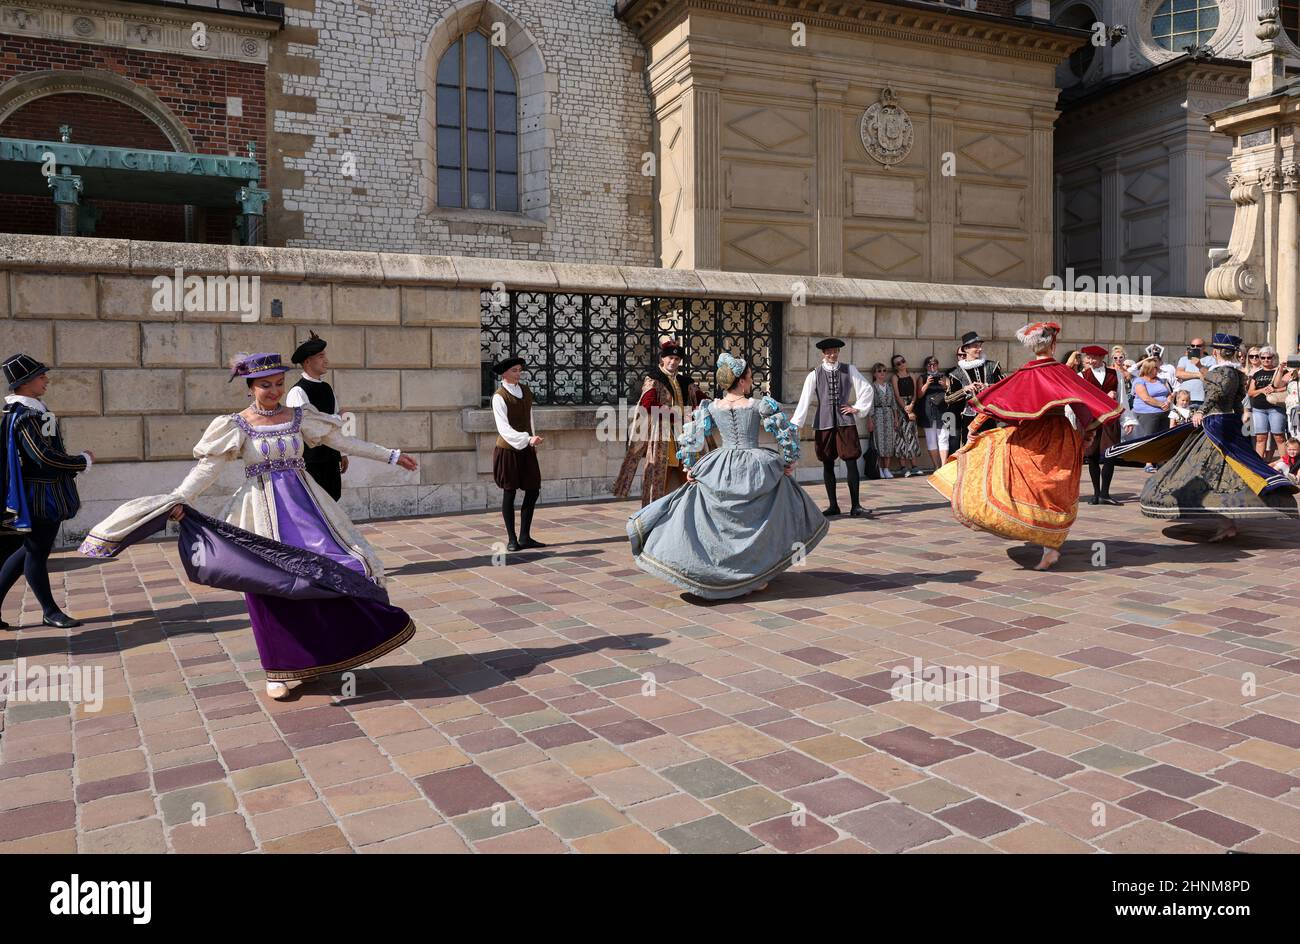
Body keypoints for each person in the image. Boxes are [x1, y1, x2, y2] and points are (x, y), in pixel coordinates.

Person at [78, 352, 420, 699]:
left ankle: (320, 655)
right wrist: (180, 498)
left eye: (278, 384)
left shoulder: (299, 417)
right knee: (270, 588)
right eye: (265, 385)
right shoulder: (236, 424)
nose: (273, 391)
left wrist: (391, 455)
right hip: (260, 512)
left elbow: (342, 442)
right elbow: (206, 470)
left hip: (308, 509)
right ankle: (277, 670)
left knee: (341, 568)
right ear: (250, 387)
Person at [627, 352, 828, 599]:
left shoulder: (711, 407)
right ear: (742, 381)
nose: (751, 381)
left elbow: (691, 438)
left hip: (720, 464)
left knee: (723, 522)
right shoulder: (758, 404)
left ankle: (727, 570)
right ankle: (755, 571)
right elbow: (785, 434)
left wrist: (690, 467)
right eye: (749, 377)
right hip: (755, 464)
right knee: (758, 518)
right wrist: (788, 462)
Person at [930, 322, 1122, 570]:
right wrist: (1089, 432)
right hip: (1059, 434)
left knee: (1027, 485)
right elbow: (1082, 403)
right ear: (1053, 344)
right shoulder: (1061, 372)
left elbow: (1000, 398)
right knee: (1052, 490)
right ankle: (1049, 544)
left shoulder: (1026, 373)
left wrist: (975, 425)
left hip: (1030, 435)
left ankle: (1035, 535)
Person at [1107, 334, 1298, 541]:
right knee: (1233, 471)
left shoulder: (1221, 373)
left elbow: (1216, 394)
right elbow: (1235, 401)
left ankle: (1224, 521)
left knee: (1204, 470)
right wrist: (1237, 418)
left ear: (1215, 352)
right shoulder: (1235, 373)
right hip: (1229, 424)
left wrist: (1201, 411)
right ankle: (1228, 521)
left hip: (1214, 425)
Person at [0, 354, 93, 629]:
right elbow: (43, 457)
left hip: (50, 490)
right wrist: (81, 461)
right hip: (39, 496)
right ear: (25, 383)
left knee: (29, 551)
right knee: (36, 553)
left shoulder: (42, 410)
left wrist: (71, 460)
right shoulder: (25, 415)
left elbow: (54, 447)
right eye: (41, 376)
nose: (46, 380)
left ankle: (47, 611)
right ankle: (50, 611)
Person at [613, 339, 709, 507]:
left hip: (685, 436)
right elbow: (647, 404)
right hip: (662, 437)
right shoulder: (654, 378)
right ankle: (652, 518)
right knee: (658, 478)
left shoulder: (685, 381)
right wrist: (676, 415)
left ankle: (687, 514)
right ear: (662, 359)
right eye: (670, 358)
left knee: (691, 476)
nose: (673, 362)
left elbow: (701, 399)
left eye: (676, 359)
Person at [790, 338, 872, 516]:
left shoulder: (849, 369)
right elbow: (804, 399)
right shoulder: (814, 374)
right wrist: (796, 423)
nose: (832, 354)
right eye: (829, 352)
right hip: (824, 422)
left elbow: (866, 389)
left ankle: (855, 506)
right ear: (823, 354)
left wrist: (856, 408)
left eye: (835, 351)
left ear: (838, 352)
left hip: (845, 422)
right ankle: (833, 505)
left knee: (851, 461)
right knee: (827, 463)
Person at [491, 357, 545, 551]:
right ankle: (512, 539)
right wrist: (526, 439)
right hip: (508, 450)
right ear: (504, 374)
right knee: (510, 491)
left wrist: (532, 439)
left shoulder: (526, 391)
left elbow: (529, 418)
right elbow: (503, 428)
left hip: (527, 448)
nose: (518, 373)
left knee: (533, 489)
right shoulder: (499, 396)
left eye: (519, 370)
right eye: (514, 370)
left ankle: (525, 536)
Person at [285, 331, 345, 500]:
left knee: (332, 500)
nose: (326, 361)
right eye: (320, 356)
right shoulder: (298, 391)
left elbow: (337, 422)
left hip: (330, 458)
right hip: (310, 462)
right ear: (307, 361)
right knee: (313, 504)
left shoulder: (327, 388)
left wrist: (342, 453)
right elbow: (303, 428)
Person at [1077, 344, 1122, 504]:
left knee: (1110, 453)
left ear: (1102, 358)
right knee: (1092, 455)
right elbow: (1082, 400)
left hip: (1110, 419)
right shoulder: (1082, 376)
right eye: (1088, 357)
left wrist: (1127, 419)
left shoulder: (1115, 374)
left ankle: (1105, 493)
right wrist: (1105, 396)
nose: (1091, 361)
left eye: (1094, 357)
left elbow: (1122, 399)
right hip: (1091, 421)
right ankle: (1096, 494)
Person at [945, 331, 1004, 449]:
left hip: (989, 415)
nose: (980, 349)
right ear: (966, 349)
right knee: (969, 451)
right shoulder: (956, 373)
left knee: (991, 449)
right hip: (969, 418)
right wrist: (965, 389)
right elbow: (948, 398)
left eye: (980, 346)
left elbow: (1005, 386)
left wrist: (987, 386)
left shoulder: (992, 366)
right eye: (976, 346)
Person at [1131, 357, 1172, 471]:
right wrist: (1160, 404)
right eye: (1155, 368)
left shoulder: (1160, 380)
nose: (1158, 370)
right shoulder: (1139, 381)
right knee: (1149, 438)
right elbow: (1145, 398)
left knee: (1162, 438)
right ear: (1148, 369)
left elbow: (1169, 393)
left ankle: (1160, 461)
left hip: (1163, 413)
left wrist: (1168, 401)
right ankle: (1148, 463)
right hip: (1147, 413)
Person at [1247, 346, 1286, 461]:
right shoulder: (1257, 374)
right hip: (1258, 409)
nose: (1266, 360)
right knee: (1260, 438)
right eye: (1263, 358)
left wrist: (1275, 390)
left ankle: (1285, 465)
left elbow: (1286, 388)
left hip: (1276, 408)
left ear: (1273, 357)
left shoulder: (1280, 371)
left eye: (1269, 357)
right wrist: (1262, 390)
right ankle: (1259, 465)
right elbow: (1250, 392)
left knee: (1279, 437)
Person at [889, 354, 923, 476]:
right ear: (895, 367)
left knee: (913, 436)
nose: (902, 364)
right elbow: (897, 395)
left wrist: (912, 405)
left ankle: (914, 466)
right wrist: (906, 409)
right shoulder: (895, 377)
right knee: (901, 437)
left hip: (911, 406)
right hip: (900, 408)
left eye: (903, 361)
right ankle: (903, 467)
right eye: (898, 363)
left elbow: (914, 393)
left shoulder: (912, 375)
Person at [917, 355, 953, 471]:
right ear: (926, 366)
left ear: (938, 365)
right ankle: (935, 466)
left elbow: (951, 393)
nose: (932, 367)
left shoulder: (944, 377)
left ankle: (943, 466)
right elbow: (919, 395)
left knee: (943, 437)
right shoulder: (922, 377)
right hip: (928, 411)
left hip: (943, 410)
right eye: (929, 365)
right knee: (931, 439)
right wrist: (927, 383)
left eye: (935, 364)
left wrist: (944, 386)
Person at [869, 363, 898, 478]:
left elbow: (893, 403)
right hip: (878, 415)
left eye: (884, 371)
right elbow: (870, 405)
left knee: (889, 442)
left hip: (889, 415)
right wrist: (870, 420)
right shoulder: (872, 387)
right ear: (874, 374)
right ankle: (879, 468)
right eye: (879, 371)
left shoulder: (889, 386)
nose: (882, 373)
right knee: (879, 442)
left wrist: (896, 418)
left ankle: (887, 468)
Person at [1175, 337, 1215, 408]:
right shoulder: (1184, 359)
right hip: (1185, 399)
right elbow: (1178, 374)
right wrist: (1198, 374)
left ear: (1204, 347)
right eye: (1192, 346)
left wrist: (1199, 366)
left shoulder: (1211, 360)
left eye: (1198, 346)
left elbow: (1211, 376)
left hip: (1203, 398)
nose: (1195, 347)